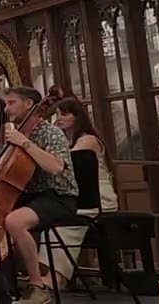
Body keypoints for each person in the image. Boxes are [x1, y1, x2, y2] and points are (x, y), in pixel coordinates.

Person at [0, 87, 78, 304]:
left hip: (59, 196)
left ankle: (38, 287)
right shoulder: (20, 133)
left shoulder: (50, 133)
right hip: (32, 195)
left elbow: (55, 167)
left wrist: (25, 143)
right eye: (6, 104)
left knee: (14, 222)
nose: (6, 109)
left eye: (11, 103)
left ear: (29, 104)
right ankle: (4, 285)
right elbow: (9, 170)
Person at [49, 97, 117, 289]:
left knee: (63, 222)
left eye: (64, 114)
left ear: (78, 117)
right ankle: (50, 276)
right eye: (56, 115)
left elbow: (65, 163)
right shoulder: (67, 141)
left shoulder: (88, 140)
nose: (59, 119)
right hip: (78, 196)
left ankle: (56, 278)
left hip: (98, 197)